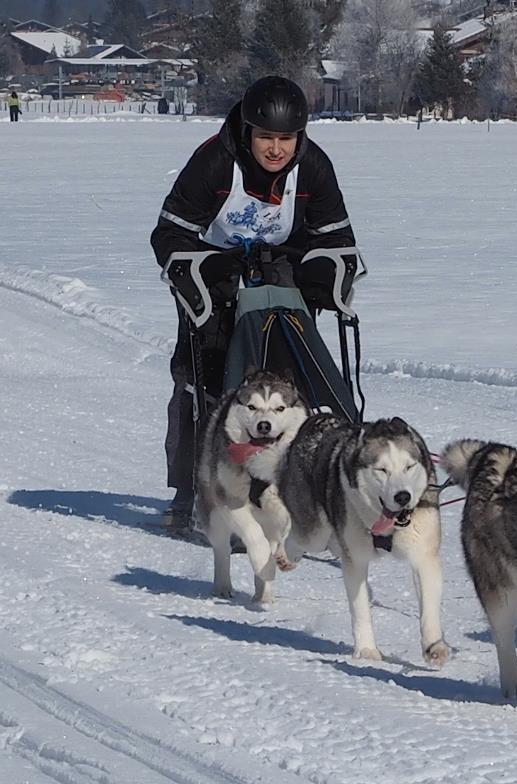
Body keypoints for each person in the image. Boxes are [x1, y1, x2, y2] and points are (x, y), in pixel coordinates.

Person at [150, 75, 356, 529]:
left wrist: (326, 277)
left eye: (286, 138)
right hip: (214, 275)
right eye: (266, 137)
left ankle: (298, 489)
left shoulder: (313, 166)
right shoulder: (214, 161)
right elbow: (169, 233)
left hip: (282, 275)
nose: (276, 149)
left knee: (287, 387)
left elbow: (336, 236)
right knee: (201, 381)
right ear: (247, 132)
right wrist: (199, 273)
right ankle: (192, 491)